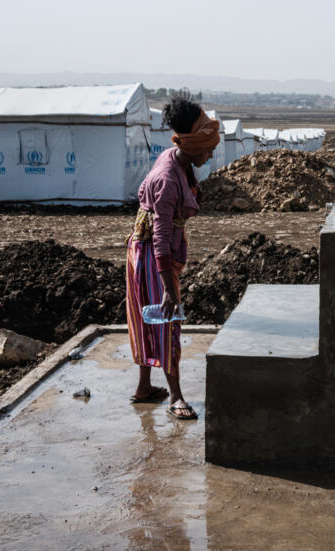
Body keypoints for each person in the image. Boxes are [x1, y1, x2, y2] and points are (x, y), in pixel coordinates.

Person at [125, 91, 219, 420]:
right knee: (166, 319)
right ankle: (175, 397)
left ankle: (143, 388)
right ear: (191, 146)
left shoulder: (176, 159)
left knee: (146, 316)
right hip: (153, 254)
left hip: (147, 248)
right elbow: (162, 237)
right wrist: (167, 287)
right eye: (206, 149)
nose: (209, 155)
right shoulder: (167, 176)